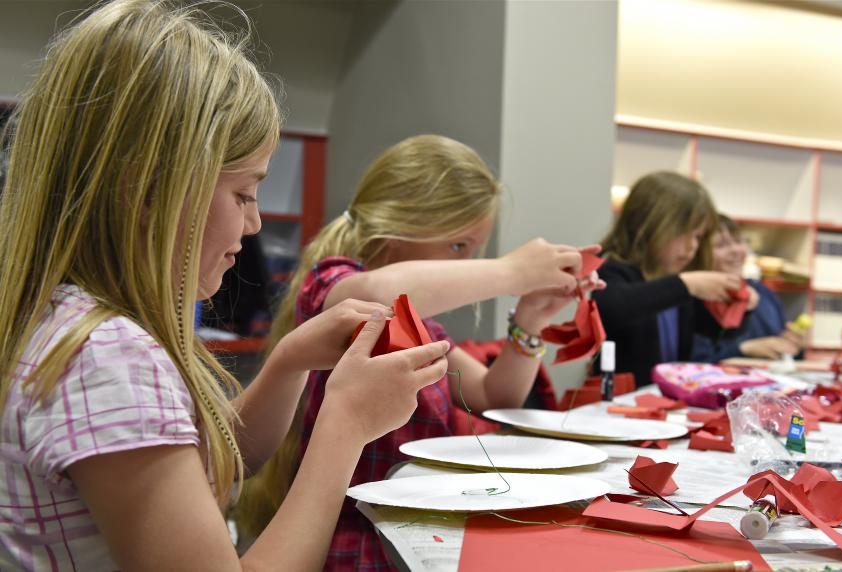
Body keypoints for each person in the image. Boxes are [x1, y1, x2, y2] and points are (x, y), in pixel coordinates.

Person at [0, 1, 449, 570]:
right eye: (242, 194)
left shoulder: (64, 323)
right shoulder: (108, 360)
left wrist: (288, 363)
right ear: (150, 193)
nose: (255, 223)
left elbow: (211, 465)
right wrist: (346, 425)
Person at [234, 134, 602, 570]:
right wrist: (510, 272)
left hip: (412, 531)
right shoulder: (332, 283)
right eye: (458, 246)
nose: (466, 262)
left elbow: (494, 394)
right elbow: (377, 293)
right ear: (402, 226)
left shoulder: (421, 324)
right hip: (352, 541)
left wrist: (531, 319)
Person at [592, 171, 759, 387]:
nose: (692, 246)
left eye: (698, 237)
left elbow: (718, 330)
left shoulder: (676, 284)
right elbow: (613, 307)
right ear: (650, 226)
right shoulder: (615, 270)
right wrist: (686, 285)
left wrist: (743, 307)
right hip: (619, 406)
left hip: (665, 402)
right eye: (684, 233)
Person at [691, 214, 803, 361]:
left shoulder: (764, 293)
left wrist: (794, 346)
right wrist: (744, 349)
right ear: (699, 253)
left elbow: (790, 357)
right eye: (721, 245)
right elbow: (693, 360)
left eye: (739, 241)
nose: (736, 250)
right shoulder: (693, 297)